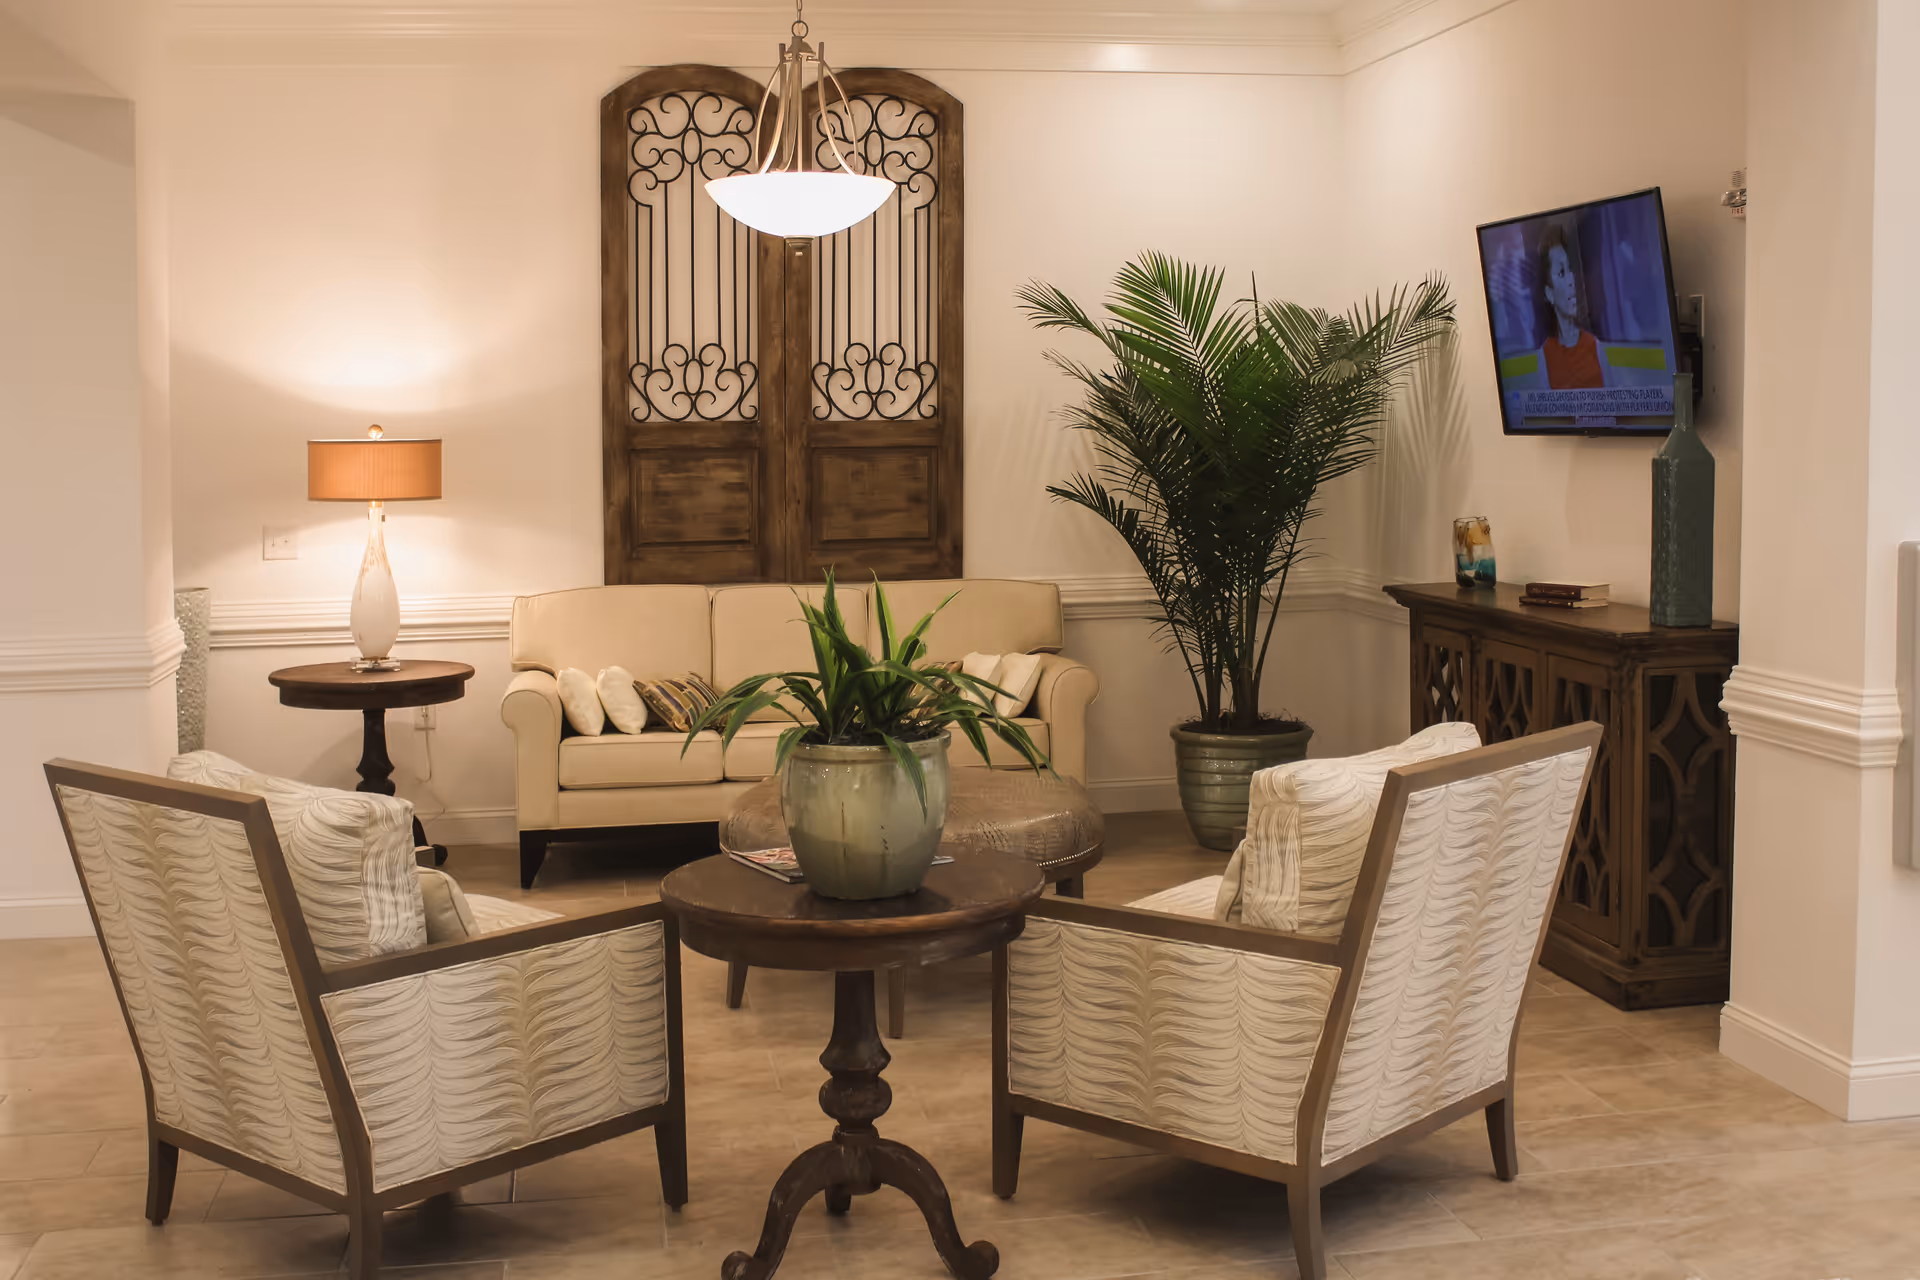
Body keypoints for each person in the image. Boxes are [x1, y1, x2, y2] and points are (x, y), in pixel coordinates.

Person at [1537, 224, 1606, 389]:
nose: (1571, 280)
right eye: (1561, 273)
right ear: (1549, 293)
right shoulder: (1543, 358)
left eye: (1570, 270)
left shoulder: (1596, 346)